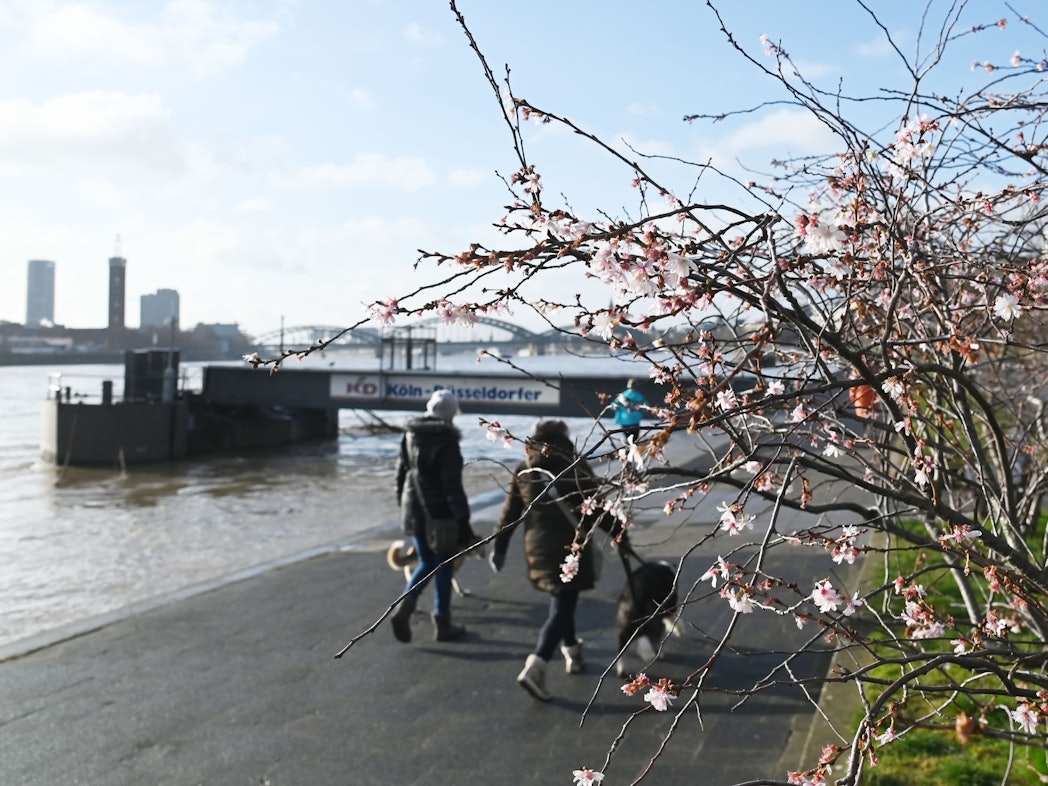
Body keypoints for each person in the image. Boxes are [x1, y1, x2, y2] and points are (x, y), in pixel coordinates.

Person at [488, 418, 627, 701]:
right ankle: (536, 665)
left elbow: (509, 515)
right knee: (563, 605)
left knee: (562, 599)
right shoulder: (574, 466)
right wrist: (618, 532)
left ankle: (573, 652)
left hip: (537, 548)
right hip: (570, 547)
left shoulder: (524, 470)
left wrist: (499, 547)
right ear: (564, 440)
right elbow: (594, 507)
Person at [391, 389, 474, 643]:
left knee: (427, 561)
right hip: (440, 514)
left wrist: (402, 505)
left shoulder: (409, 435)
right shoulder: (447, 441)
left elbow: (400, 475)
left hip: (413, 508)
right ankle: (442, 621)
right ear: (451, 414)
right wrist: (463, 522)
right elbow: (452, 487)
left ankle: (405, 607)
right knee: (443, 564)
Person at [613, 379, 648, 443]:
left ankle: (629, 450)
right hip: (633, 421)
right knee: (634, 440)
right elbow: (646, 406)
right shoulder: (638, 396)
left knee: (629, 440)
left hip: (626, 421)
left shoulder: (622, 395)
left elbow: (614, 405)